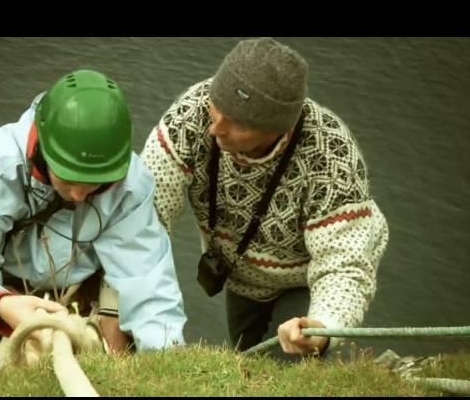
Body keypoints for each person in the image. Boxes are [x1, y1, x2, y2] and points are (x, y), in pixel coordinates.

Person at [140, 38, 389, 356]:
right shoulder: (191, 116)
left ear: (277, 129)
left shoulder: (331, 156)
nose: (216, 128)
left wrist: (323, 326)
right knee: (248, 360)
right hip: (241, 278)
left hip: (306, 282)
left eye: (236, 122)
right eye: (216, 107)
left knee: (286, 364)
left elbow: (345, 267)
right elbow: (146, 212)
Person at [0, 69, 186, 370]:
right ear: (42, 147)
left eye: (96, 183)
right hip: (6, 287)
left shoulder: (130, 183)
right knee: (2, 373)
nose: (79, 196)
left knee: (116, 361)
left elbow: (148, 284)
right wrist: (0, 305)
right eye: (68, 178)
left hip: (88, 283)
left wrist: (166, 368)